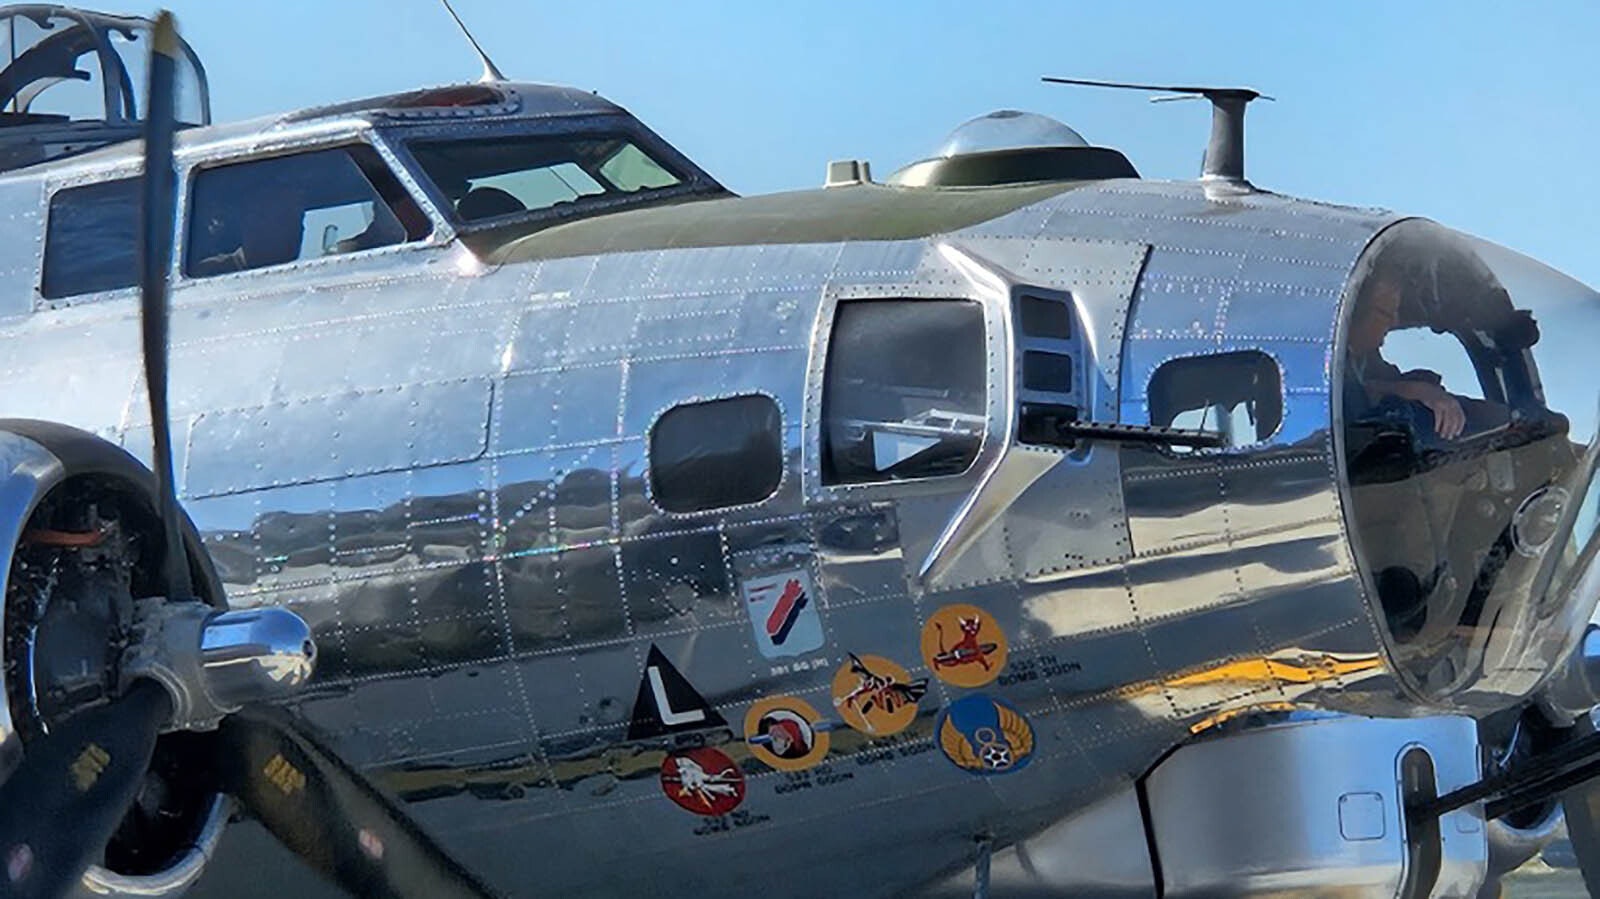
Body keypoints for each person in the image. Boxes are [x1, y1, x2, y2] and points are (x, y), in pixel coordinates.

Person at [1345, 276, 1467, 439]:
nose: (1394, 321)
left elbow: (1380, 383)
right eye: (1386, 313)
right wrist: (1413, 390)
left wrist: (1423, 388)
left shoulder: (1370, 362)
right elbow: (1362, 392)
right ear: (1356, 312)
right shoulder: (1333, 368)